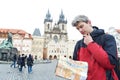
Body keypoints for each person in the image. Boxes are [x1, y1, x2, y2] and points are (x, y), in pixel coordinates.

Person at [72, 15, 119, 80]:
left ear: (89, 22)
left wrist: (91, 44)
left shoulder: (107, 38)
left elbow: (110, 63)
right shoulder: (79, 44)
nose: (80, 30)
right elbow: (77, 68)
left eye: (81, 26)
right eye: (78, 29)